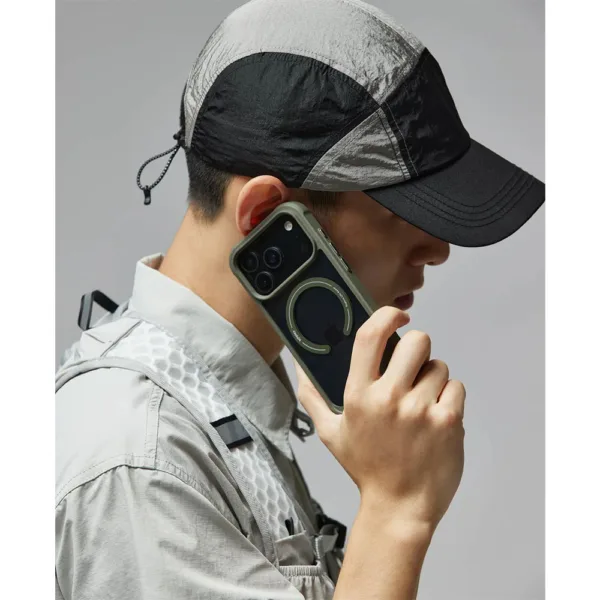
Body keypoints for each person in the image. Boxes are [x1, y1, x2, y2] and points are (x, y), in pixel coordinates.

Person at [55, 1, 544, 599]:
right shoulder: (141, 456)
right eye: (401, 209)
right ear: (267, 215)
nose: (438, 249)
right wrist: (398, 509)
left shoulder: (210, 407)